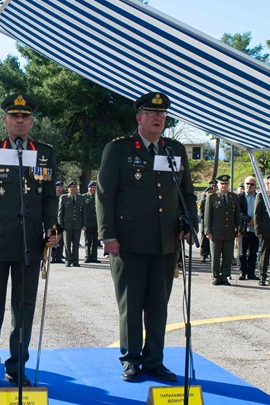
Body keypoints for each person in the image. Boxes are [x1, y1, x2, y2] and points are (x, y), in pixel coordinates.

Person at [96, 91, 196, 383]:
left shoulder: (174, 150)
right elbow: (104, 196)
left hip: (165, 242)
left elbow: (187, 192)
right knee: (131, 304)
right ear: (139, 118)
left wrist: (190, 222)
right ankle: (130, 360)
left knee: (157, 306)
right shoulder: (120, 149)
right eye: (152, 114)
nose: (158, 119)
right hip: (128, 242)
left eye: (162, 115)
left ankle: (154, 360)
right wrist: (108, 236)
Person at [0, 92, 58, 388]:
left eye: (25, 117)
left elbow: (48, 199)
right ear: (6, 120)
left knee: (24, 308)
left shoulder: (44, 153)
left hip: (30, 242)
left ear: (31, 121)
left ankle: (17, 365)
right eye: (14, 116)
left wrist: (52, 227)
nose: (20, 121)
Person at [204, 174, 240, 285]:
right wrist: (208, 231)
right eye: (222, 184)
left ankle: (225, 276)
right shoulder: (212, 197)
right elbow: (207, 216)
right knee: (215, 256)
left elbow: (237, 215)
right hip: (216, 231)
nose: (224, 186)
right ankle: (216, 276)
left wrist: (238, 229)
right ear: (218, 185)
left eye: (226, 184)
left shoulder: (233, 197)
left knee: (227, 255)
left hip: (229, 231)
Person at [59, 181, 85, 267]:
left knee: (76, 243)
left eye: (74, 187)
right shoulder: (64, 197)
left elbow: (84, 212)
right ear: (68, 188)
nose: (73, 188)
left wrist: (84, 224)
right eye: (71, 187)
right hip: (67, 224)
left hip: (77, 224)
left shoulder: (81, 198)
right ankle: (68, 260)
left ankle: (75, 260)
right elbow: (60, 213)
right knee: (67, 243)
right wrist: (60, 225)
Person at [238, 176, 259, 281]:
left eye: (252, 184)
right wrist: (248, 220)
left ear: (255, 186)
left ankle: (251, 272)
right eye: (247, 184)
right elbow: (238, 211)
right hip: (243, 228)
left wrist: (256, 222)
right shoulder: (239, 197)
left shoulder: (259, 197)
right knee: (242, 252)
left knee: (253, 252)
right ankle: (242, 272)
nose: (249, 186)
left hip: (255, 229)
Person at [198, 181, 216, 262]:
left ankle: (212, 254)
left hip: (213, 222)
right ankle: (203, 254)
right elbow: (200, 213)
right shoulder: (203, 201)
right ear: (206, 193)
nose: (210, 193)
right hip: (204, 223)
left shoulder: (215, 200)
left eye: (211, 192)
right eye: (209, 192)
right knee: (203, 239)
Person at [83, 181, 100, 262]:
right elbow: (82, 212)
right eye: (91, 187)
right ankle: (87, 256)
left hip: (96, 223)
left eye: (94, 187)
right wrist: (83, 223)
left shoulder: (99, 197)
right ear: (88, 188)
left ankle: (94, 257)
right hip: (87, 223)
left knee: (95, 241)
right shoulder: (84, 197)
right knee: (87, 241)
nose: (93, 189)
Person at [51, 181, 65, 264]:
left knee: (60, 241)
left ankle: (59, 256)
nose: (59, 189)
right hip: (52, 221)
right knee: (52, 239)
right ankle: (53, 256)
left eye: (60, 187)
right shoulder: (52, 198)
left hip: (61, 222)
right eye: (57, 187)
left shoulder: (63, 198)